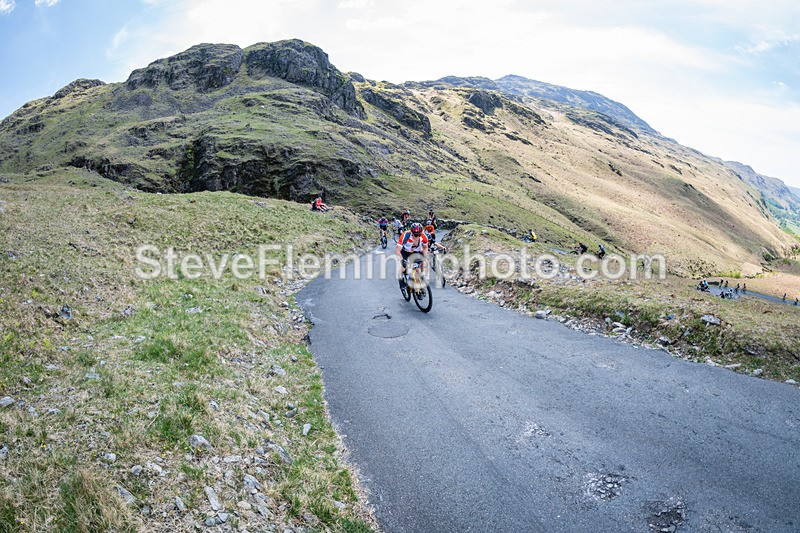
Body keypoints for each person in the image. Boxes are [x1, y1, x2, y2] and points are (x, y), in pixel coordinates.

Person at [396, 222, 429, 288]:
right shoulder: (405, 235)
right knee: (402, 268)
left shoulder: (424, 237)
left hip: (416, 252)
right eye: (415, 234)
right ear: (411, 232)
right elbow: (397, 250)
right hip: (405, 252)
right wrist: (402, 260)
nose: (416, 236)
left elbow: (425, 248)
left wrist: (425, 255)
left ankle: (422, 277)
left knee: (423, 263)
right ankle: (401, 280)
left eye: (418, 234)